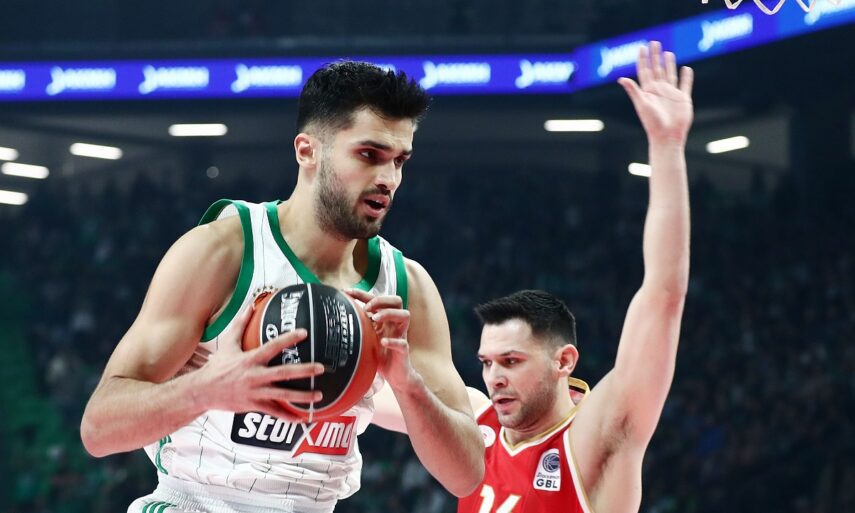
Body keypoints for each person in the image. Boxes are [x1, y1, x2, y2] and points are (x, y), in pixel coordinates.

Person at [80, 61, 484, 513]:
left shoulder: (407, 287)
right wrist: (205, 390)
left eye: (399, 161)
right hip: (196, 502)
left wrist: (408, 386)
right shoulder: (222, 251)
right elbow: (98, 429)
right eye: (369, 154)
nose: (388, 179)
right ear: (307, 151)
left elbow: (466, 475)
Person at [369, 41, 693, 512]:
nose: (494, 377)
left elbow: (663, 295)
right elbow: (355, 393)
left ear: (564, 361)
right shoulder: (477, 425)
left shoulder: (594, 435)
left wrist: (667, 146)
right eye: (487, 363)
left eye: (512, 361)